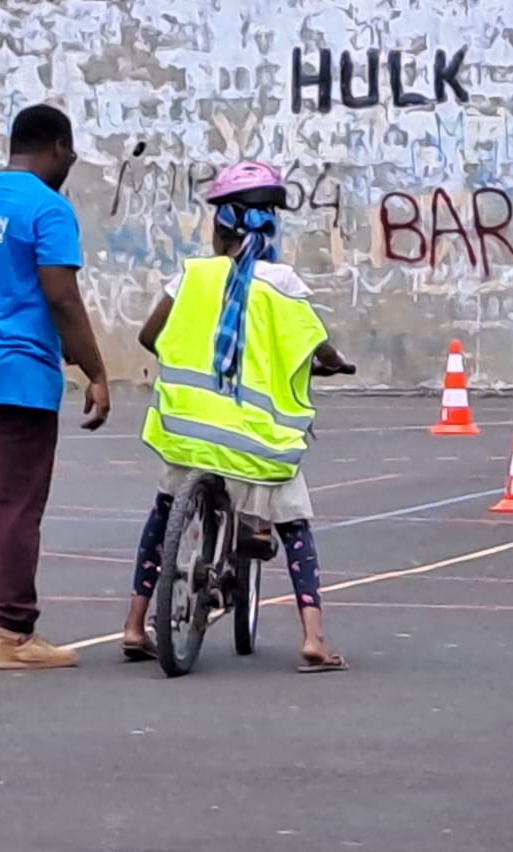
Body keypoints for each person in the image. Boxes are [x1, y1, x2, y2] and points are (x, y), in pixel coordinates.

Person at [120, 160, 352, 673]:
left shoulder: (192, 277)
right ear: (270, 227)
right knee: (293, 524)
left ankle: (136, 624)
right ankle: (313, 636)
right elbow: (318, 346)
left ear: (219, 224)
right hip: (254, 441)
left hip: (188, 430)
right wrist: (335, 364)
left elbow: (148, 337)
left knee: (164, 512)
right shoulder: (282, 283)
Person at [0, 103, 111, 669]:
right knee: (16, 504)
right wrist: (96, 371)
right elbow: (61, 296)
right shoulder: (48, 209)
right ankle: (15, 633)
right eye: (71, 154)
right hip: (14, 372)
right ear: (58, 146)